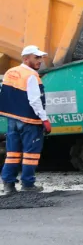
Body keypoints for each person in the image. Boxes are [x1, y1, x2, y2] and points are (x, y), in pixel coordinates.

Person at [0, 45, 51, 196]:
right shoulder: (31, 76)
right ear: (25, 58)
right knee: (31, 154)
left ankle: (8, 185)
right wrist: (44, 119)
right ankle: (28, 184)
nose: (40, 61)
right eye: (36, 58)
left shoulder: (11, 72)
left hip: (12, 120)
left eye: (40, 57)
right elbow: (35, 100)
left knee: (12, 153)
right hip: (29, 121)